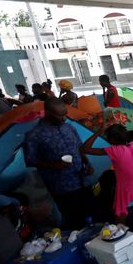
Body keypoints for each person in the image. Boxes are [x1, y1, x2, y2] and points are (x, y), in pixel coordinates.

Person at [24, 98, 94, 229]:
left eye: (65, 114)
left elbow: (80, 148)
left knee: (91, 213)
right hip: (62, 186)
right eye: (60, 115)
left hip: (82, 179)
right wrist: (53, 165)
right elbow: (30, 160)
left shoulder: (69, 127)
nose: (64, 118)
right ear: (48, 113)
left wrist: (88, 164)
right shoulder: (34, 135)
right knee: (74, 220)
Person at [81, 121, 133, 237]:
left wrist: (99, 131)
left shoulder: (114, 151)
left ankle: (122, 245)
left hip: (129, 195)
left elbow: (84, 149)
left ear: (112, 140)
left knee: (119, 226)